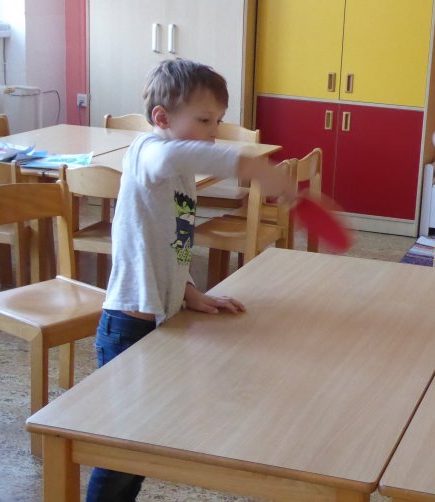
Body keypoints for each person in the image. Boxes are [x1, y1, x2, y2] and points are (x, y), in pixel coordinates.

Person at [86, 59, 292, 502]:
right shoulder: (149, 152)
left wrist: (189, 291)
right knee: (121, 449)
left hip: (162, 318)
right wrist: (250, 165)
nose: (214, 132)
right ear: (162, 118)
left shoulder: (178, 169)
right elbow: (178, 154)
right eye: (204, 120)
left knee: (142, 440)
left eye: (218, 121)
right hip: (128, 325)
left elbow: (172, 242)